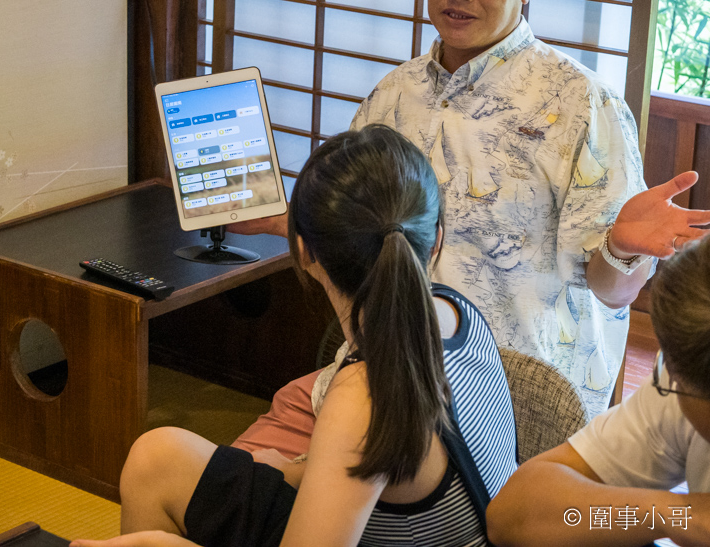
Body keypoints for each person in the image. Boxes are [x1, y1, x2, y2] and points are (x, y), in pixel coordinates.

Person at [231, 0, 692, 436]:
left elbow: (612, 291)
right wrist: (281, 218)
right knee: (233, 460)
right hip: (388, 373)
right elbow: (355, 234)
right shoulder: (393, 95)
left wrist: (622, 249)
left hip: (511, 402)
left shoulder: (581, 103)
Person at [72, 124, 518, 547]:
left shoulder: (362, 397)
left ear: (303, 251)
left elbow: (370, 438)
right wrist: (298, 469)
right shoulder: (455, 311)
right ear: (435, 240)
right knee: (156, 456)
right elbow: (388, 464)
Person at [485, 227, 710, 547]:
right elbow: (513, 513)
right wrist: (672, 514)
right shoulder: (686, 382)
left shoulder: (693, 381)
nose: (668, 376)